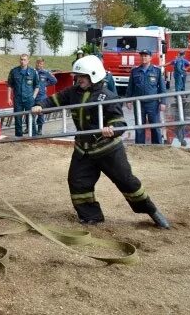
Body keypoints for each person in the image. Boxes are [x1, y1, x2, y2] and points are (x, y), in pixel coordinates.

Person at [31, 55, 170, 228]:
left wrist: (111, 129)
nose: (78, 79)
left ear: (94, 75)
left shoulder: (108, 96)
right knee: (78, 182)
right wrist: (41, 106)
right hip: (84, 149)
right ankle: (91, 217)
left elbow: (120, 122)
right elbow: (54, 100)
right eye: (78, 76)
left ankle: (152, 211)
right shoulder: (73, 92)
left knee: (127, 182)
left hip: (108, 149)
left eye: (82, 76)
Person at [126, 49, 166, 144]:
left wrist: (163, 102)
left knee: (155, 126)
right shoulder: (135, 71)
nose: (143, 57)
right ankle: (140, 147)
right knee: (139, 126)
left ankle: (157, 147)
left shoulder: (157, 71)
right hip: (139, 104)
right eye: (142, 56)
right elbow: (130, 87)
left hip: (153, 103)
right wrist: (128, 100)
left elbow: (162, 88)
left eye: (146, 56)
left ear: (150, 58)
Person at [8, 54, 40, 137]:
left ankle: (33, 135)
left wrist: (33, 97)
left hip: (29, 99)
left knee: (30, 118)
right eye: (21, 59)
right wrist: (9, 98)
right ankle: (19, 136)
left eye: (24, 60)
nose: (23, 61)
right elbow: (9, 85)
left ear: (28, 61)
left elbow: (37, 86)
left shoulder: (33, 72)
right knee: (17, 118)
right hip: (18, 99)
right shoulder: (14, 71)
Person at [33, 57, 58, 136]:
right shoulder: (32, 72)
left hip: (41, 96)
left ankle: (40, 129)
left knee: (40, 113)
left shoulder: (45, 73)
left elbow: (54, 81)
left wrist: (44, 85)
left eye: (41, 64)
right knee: (30, 112)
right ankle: (30, 128)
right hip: (32, 95)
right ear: (36, 63)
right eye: (38, 63)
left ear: (43, 64)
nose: (40, 65)